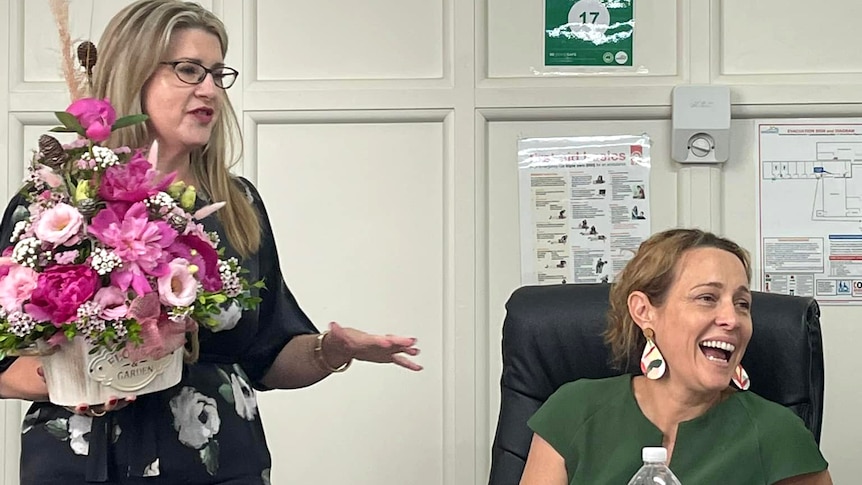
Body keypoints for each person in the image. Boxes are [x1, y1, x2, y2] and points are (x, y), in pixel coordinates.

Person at [0, 1, 421, 483]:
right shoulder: (59, 202)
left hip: (218, 467)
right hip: (83, 466)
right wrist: (75, 375)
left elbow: (268, 355)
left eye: (217, 74)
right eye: (188, 70)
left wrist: (332, 350)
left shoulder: (236, 205)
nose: (209, 89)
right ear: (134, 72)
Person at [520, 229, 831, 484]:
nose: (732, 319)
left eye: (742, 304)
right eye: (707, 298)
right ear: (644, 311)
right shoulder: (572, 411)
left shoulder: (779, 435)